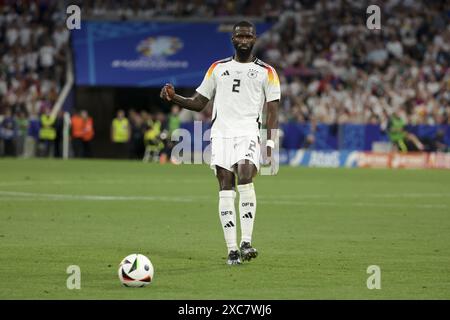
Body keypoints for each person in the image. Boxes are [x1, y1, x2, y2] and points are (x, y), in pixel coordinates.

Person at [160, 21, 280, 265]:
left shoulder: (267, 71)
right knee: (226, 184)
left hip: (248, 132)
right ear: (232, 39)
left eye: (248, 36)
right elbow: (199, 102)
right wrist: (175, 98)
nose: (243, 40)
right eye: (239, 36)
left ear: (255, 39)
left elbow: (273, 111)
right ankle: (232, 249)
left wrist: (270, 143)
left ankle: (246, 241)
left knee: (245, 174)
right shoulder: (217, 68)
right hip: (221, 134)